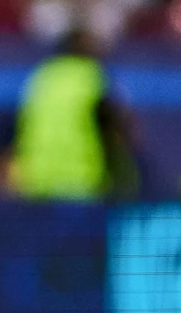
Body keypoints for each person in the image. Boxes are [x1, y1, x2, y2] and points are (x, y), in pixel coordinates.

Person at [11, 28, 138, 201]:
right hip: (80, 180)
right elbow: (114, 127)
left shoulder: (41, 76)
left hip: (37, 181)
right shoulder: (91, 76)